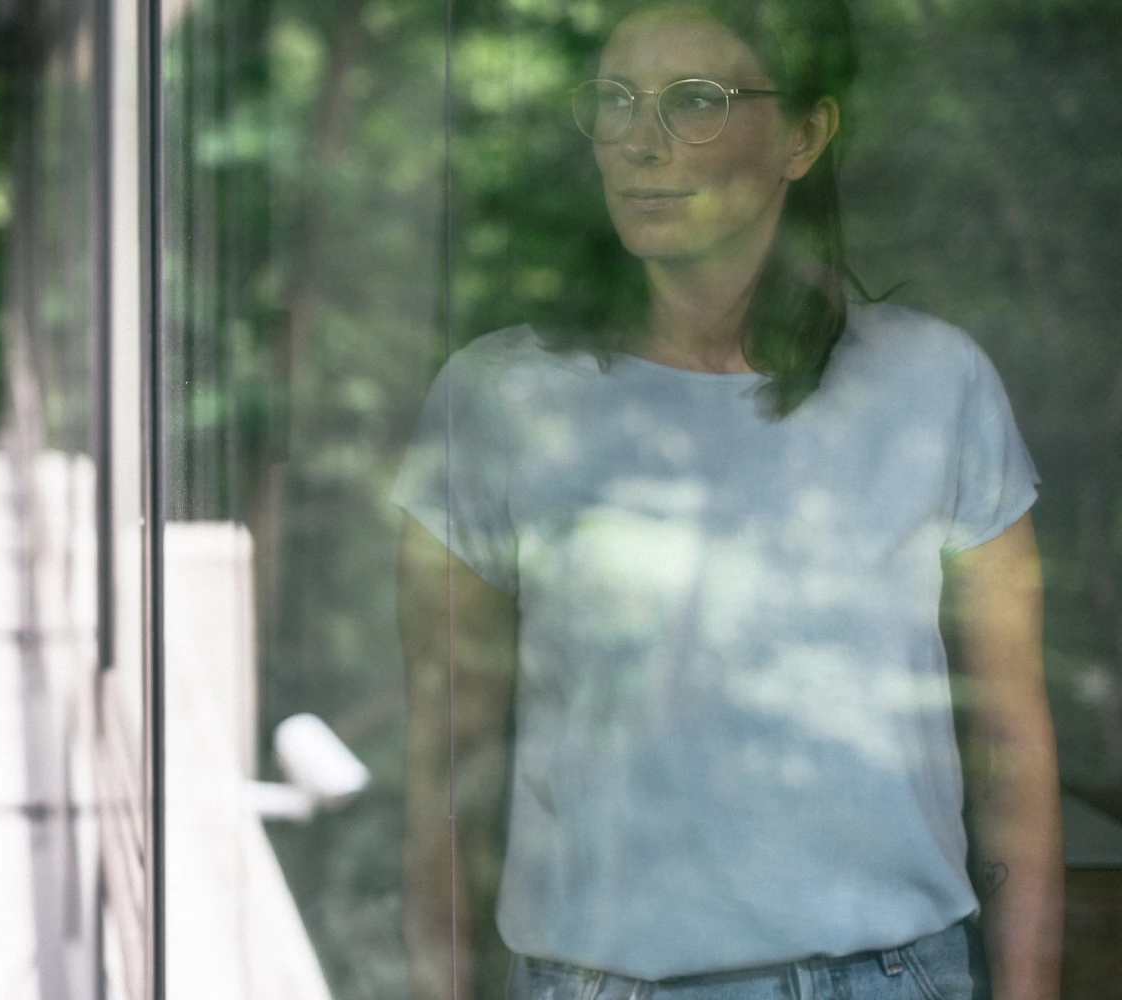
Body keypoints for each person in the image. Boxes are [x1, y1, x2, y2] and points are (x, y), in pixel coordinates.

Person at [392, 1, 1063, 998]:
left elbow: (1010, 748)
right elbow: (448, 760)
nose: (638, 141)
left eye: (695, 101)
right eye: (613, 99)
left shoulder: (934, 383)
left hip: (890, 978)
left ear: (803, 135)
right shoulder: (497, 399)